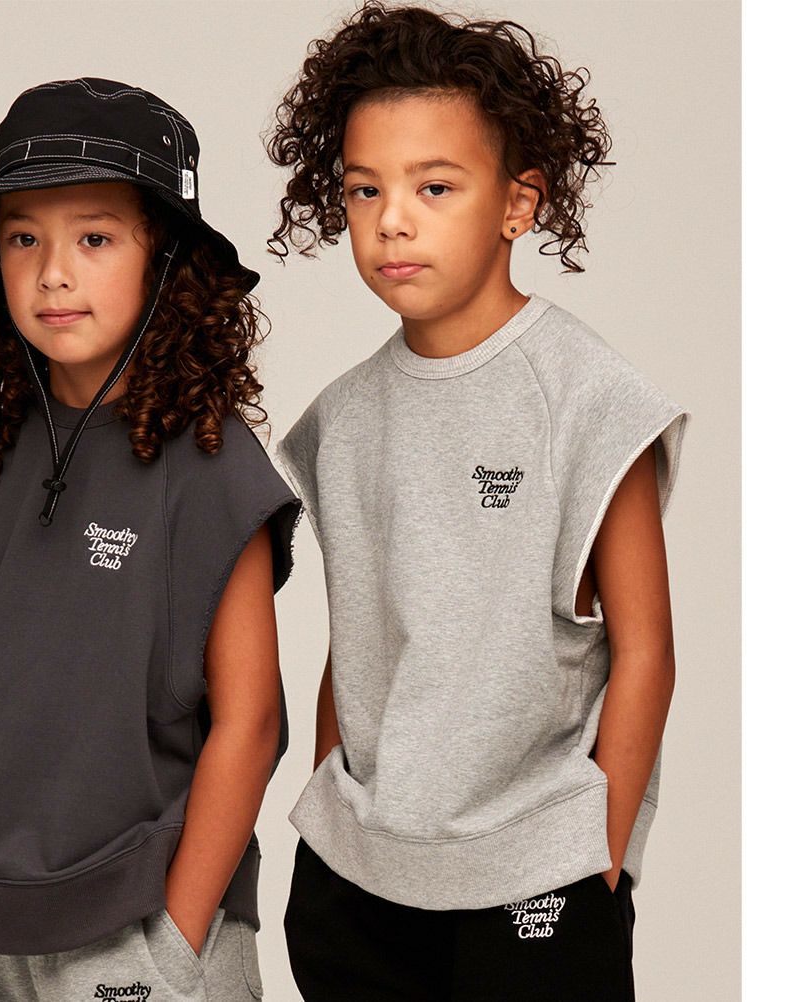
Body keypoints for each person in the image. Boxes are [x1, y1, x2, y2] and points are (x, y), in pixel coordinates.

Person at [266, 4, 689, 999]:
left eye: (435, 186)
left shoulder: (586, 398)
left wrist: (599, 860)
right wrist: (332, 818)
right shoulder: (342, 417)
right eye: (364, 188)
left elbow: (648, 651)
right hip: (357, 883)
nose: (392, 220)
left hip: (537, 879)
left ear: (518, 203)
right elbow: (357, 640)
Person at [0, 77, 299, 1002]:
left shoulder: (210, 465)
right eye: (23, 237)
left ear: (166, 261)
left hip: (133, 927)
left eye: (95, 238)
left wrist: (175, 944)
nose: (52, 272)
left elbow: (253, 721)